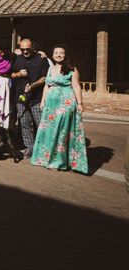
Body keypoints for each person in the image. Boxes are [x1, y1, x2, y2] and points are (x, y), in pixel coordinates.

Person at [31, 45, 88, 174]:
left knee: (61, 131)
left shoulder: (71, 69)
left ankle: (58, 161)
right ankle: (45, 158)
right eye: (56, 53)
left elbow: (76, 86)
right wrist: (43, 100)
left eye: (61, 53)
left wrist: (80, 103)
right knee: (50, 130)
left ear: (65, 55)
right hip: (51, 105)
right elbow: (47, 85)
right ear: (52, 55)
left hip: (66, 103)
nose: (58, 55)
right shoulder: (50, 68)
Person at [11, 39, 49, 158]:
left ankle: (43, 149)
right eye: (23, 49)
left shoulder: (41, 58)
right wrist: (19, 74)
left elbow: (45, 77)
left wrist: (33, 86)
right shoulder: (16, 58)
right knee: (24, 123)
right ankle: (30, 148)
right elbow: (10, 74)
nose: (25, 52)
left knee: (40, 124)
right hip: (20, 97)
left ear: (32, 47)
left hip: (36, 97)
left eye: (28, 49)